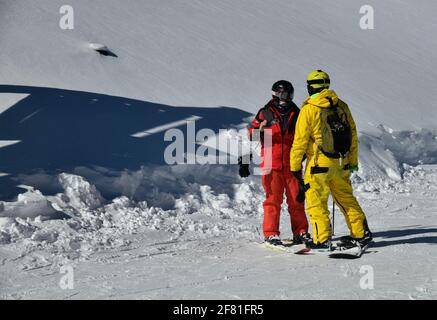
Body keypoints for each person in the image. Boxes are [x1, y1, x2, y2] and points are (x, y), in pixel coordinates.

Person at [290, 70, 372, 251]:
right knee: (346, 199)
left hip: (319, 165)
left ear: (310, 86)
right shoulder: (341, 105)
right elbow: (352, 134)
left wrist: (295, 166)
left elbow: (300, 141)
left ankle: (322, 239)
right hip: (341, 163)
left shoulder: (309, 109)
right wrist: (352, 160)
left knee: (316, 202)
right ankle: (360, 233)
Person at [239, 80, 310, 246]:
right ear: (277, 95)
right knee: (272, 200)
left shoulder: (297, 113)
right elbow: (251, 137)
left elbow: (305, 138)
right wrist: (244, 160)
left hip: (293, 164)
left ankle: (301, 232)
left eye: (290, 94)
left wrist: (304, 156)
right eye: (286, 94)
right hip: (271, 164)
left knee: (296, 200)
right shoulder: (265, 113)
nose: (289, 98)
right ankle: (271, 234)